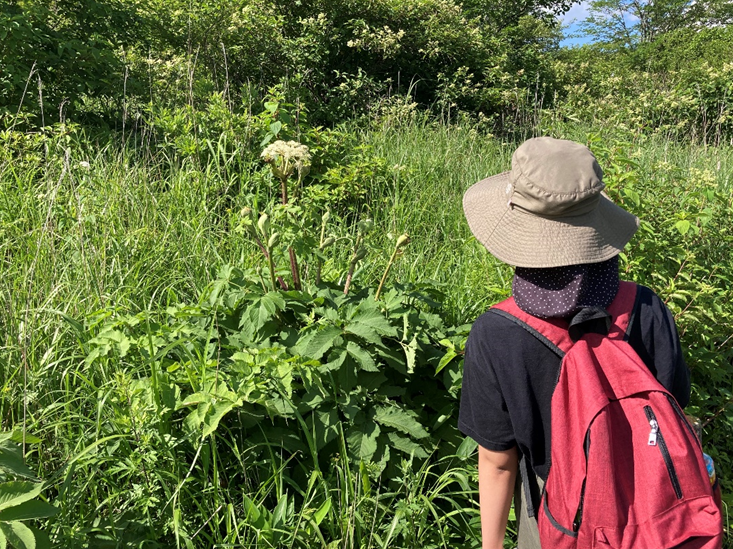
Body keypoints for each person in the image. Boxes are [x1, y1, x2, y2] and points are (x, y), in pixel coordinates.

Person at [458, 137, 691, 549]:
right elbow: (676, 412)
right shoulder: (648, 307)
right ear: (597, 222)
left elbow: (498, 462)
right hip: (655, 510)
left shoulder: (496, 332)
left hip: (559, 515)